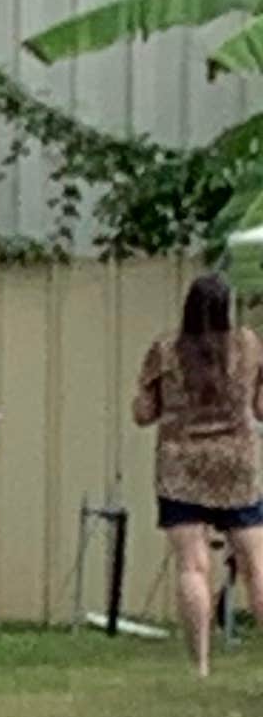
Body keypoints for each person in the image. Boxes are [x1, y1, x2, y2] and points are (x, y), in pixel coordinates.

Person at [132, 268, 263, 676]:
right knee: (256, 563)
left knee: (192, 565)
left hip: (180, 466)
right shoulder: (248, 344)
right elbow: (261, 409)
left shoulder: (165, 348)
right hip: (236, 466)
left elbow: (144, 413)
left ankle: (201, 664)